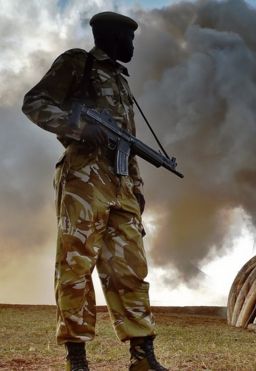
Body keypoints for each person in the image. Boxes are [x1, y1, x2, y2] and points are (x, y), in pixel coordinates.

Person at [22, 11, 167, 371]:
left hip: (120, 185)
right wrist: (77, 128)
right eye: (129, 39)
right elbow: (35, 102)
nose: (133, 46)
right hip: (84, 180)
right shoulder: (78, 63)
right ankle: (77, 359)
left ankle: (142, 355)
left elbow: (126, 144)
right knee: (75, 266)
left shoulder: (121, 80)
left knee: (130, 268)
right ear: (112, 37)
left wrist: (135, 186)